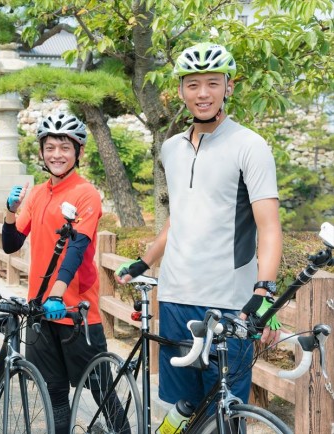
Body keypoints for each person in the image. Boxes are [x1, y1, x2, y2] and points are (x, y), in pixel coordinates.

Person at [116, 42, 283, 412]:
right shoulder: (171, 148)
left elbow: (269, 227)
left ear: (229, 87)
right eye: (193, 84)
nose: (203, 93)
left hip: (228, 303)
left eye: (212, 83)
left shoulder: (250, 146)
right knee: (181, 407)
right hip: (174, 296)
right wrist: (144, 263)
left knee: (225, 408)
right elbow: (181, 217)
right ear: (180, 91)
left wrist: (265, 291)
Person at [3, 113, 127, 434]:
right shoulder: (39, 193)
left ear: (79, 152)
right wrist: (10, 211)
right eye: (50, 147)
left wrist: (57, 292)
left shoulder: (86, 193)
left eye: (64, 147)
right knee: (54, 393)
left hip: (76, 313)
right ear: (41, 151)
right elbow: (11, 243)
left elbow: (77, 247)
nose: (56, 154)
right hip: (39, 313)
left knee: (101, 391)